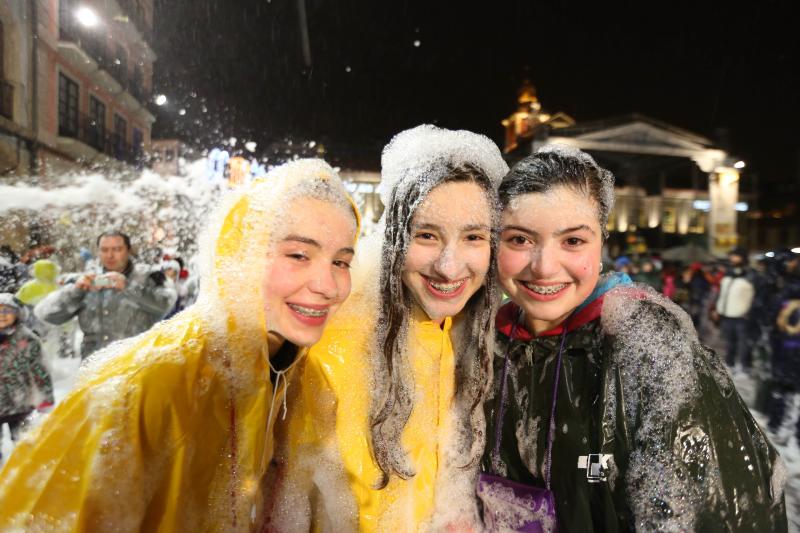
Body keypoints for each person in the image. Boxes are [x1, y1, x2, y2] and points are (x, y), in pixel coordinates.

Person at [0, 159, 360, 531]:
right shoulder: (141, 386)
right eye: (299, 255)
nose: (329, 286)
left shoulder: (305, 380)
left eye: (341, 262)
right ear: (242, 254)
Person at [481, 146, 786, 531]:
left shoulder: (651, 350)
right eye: (520, 240)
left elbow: (715, 510)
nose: (543, 267)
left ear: (602, 243)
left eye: (573, 241)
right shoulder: (480, 343)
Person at [266, 125, 508, 531]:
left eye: (473, 237)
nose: (449, 266)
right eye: (426, 235)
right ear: (395, 238)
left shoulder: (473, 337)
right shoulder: (326, 352)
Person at [34, 231, 177, 359]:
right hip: (94, 367)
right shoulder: (87, 279)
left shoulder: (149, 276)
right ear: (98, 252)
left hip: (136, 364)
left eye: (117, 249)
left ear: (128, 251)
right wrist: (77, 290)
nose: (110, 255)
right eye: (104, 250)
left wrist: (129, 287)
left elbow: (168, 304)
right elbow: (45, 314)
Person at [0, 294, 54, 462]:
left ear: (18, 313)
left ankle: (23, 468)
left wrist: (46, 398)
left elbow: (40, 370)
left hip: (21, 402)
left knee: (24, 441)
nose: (2, 315)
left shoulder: (28, 340)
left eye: (8, 310)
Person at [766, 251, 800, 443]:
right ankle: (794, 432)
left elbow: (773, 321)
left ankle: (776, 424)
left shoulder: (784, 293)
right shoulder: (784, 292)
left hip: (786, 347)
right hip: (792, 347)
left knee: (781, 388)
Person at [713, 247, 756, 372]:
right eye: (731, 256)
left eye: (735, 256)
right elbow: (722, 293)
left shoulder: (751, 274)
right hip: (727, 315)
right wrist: (717, 308)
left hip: (742, 316)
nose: (732, 258)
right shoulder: (728, 273)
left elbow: (757, 296)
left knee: (744, 344)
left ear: (743, 257)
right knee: (730, 342)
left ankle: (745, 367)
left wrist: (750, 312)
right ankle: (730, 364)